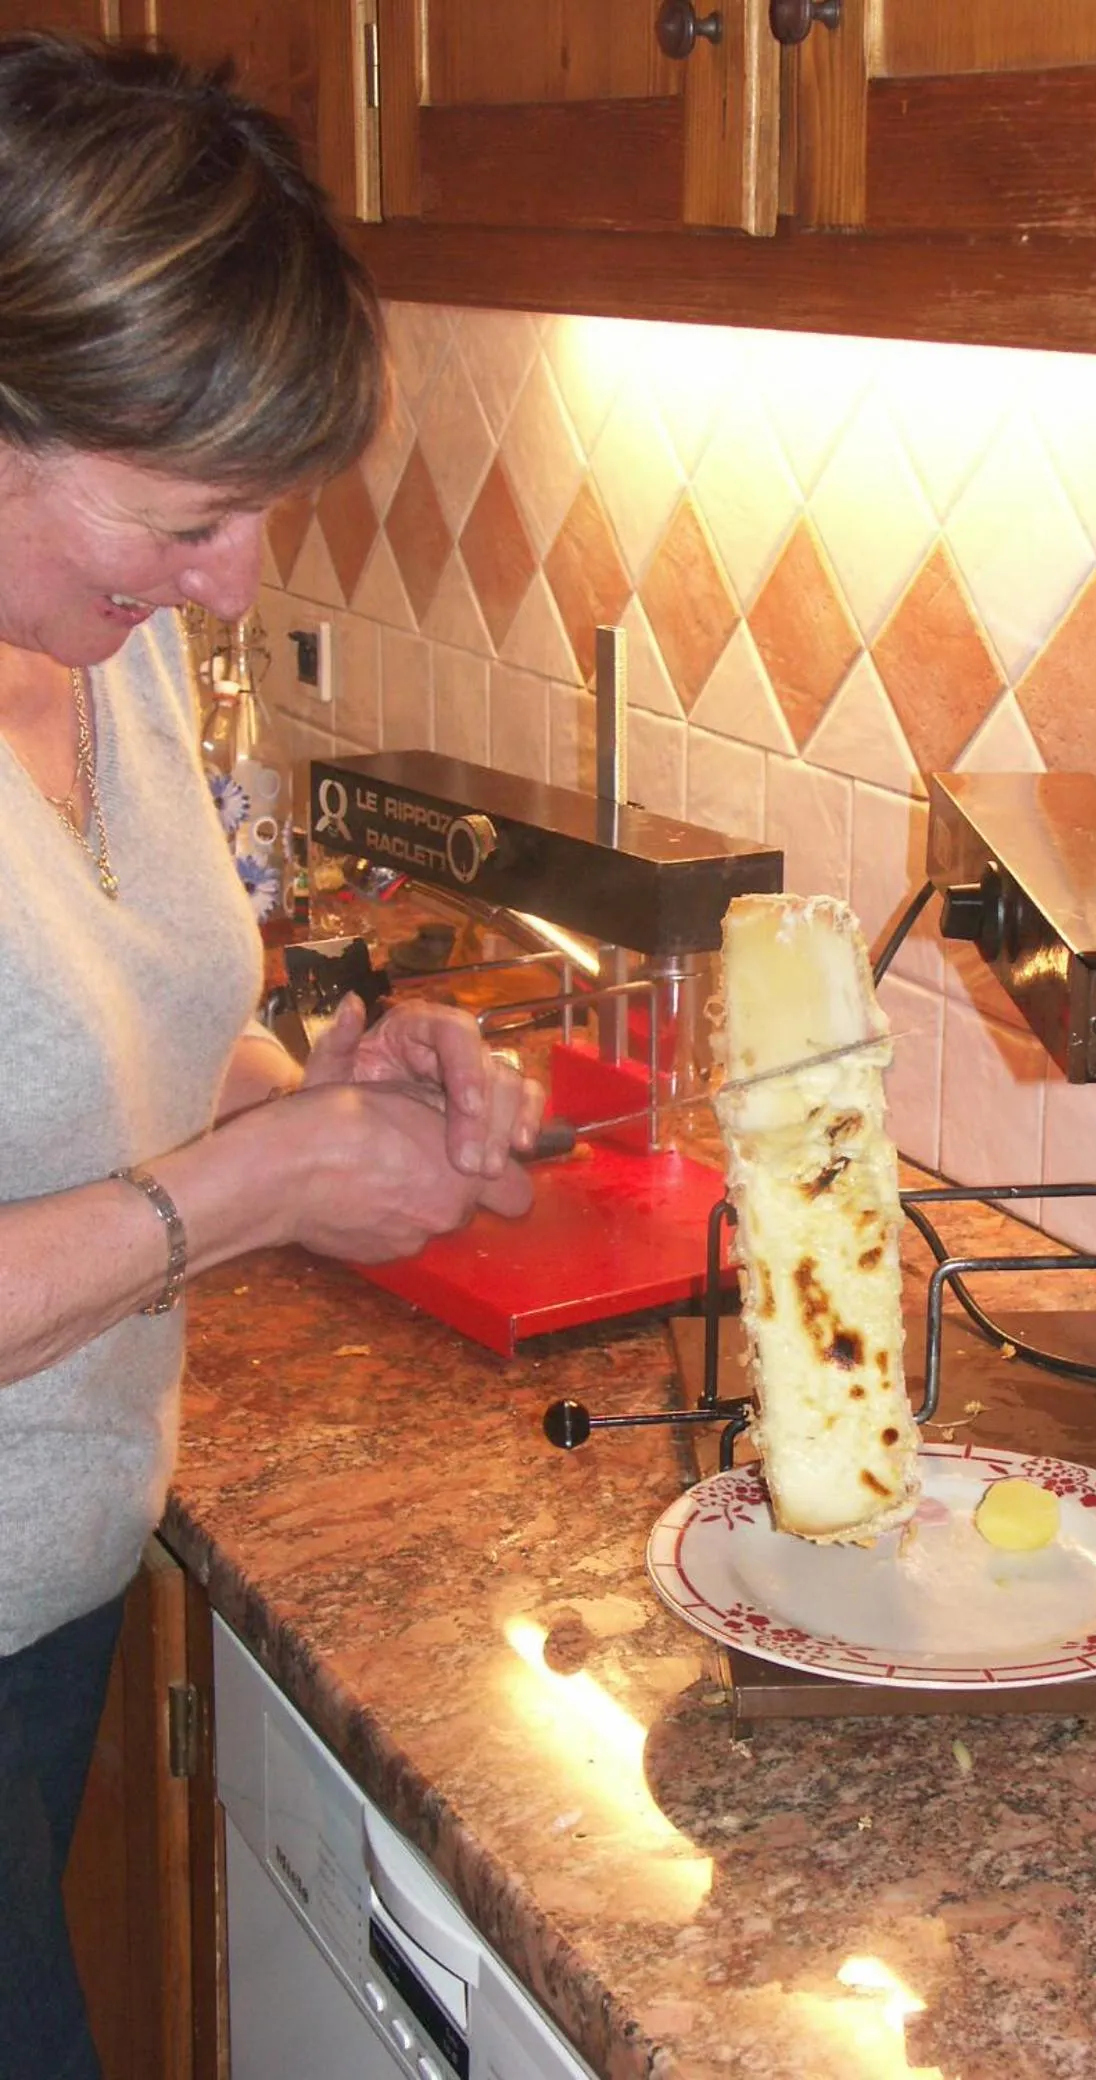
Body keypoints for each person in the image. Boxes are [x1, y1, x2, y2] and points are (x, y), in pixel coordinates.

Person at [0, 33, 546, 2076]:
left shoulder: (92, 638)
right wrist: (263, 1189)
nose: (236, 579)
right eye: (196, 515)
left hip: (46, 1592)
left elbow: (124, 1015)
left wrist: (309, 1091)